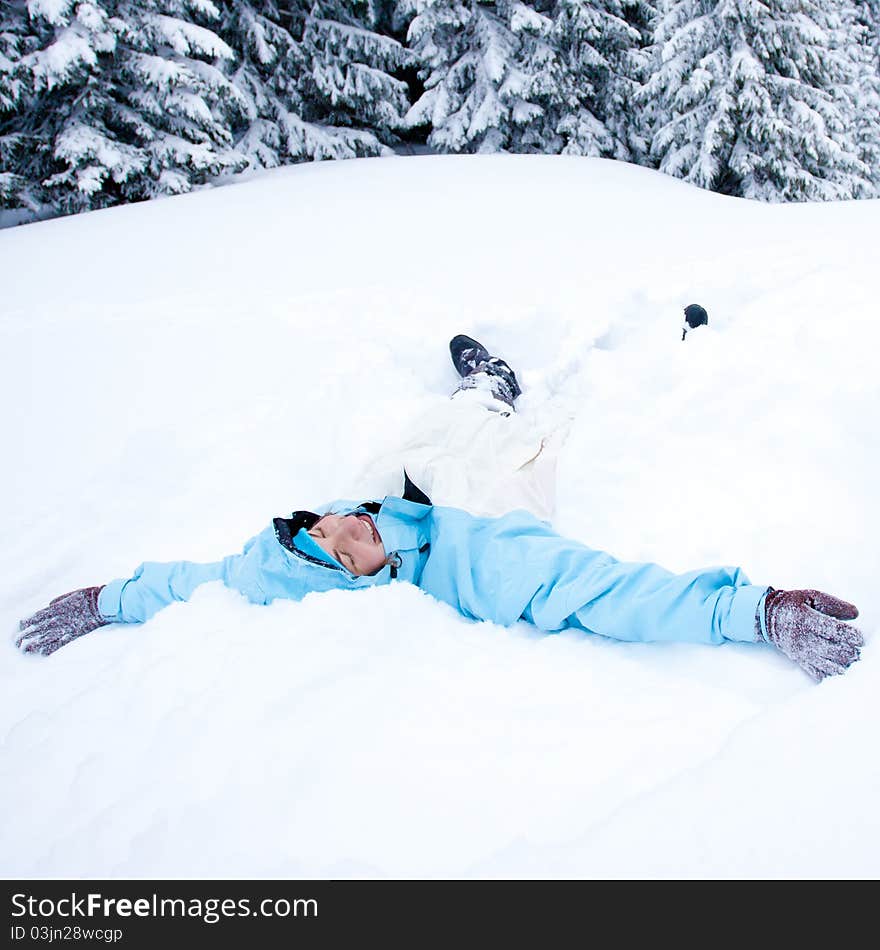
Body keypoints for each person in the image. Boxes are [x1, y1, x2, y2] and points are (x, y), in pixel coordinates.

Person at [16, 335, 864, 682]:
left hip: (413, 493)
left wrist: (104, 600)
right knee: (500, 457)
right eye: (345, 548)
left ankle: (479, 390)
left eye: (323, 526)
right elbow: (600, 591)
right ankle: (501, 406)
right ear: (361, 585)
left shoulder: (271, 565)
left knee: (420, 443)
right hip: (470, 510)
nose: (344, 527)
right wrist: (753, 611)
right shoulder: (478, 561)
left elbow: (179, 583)